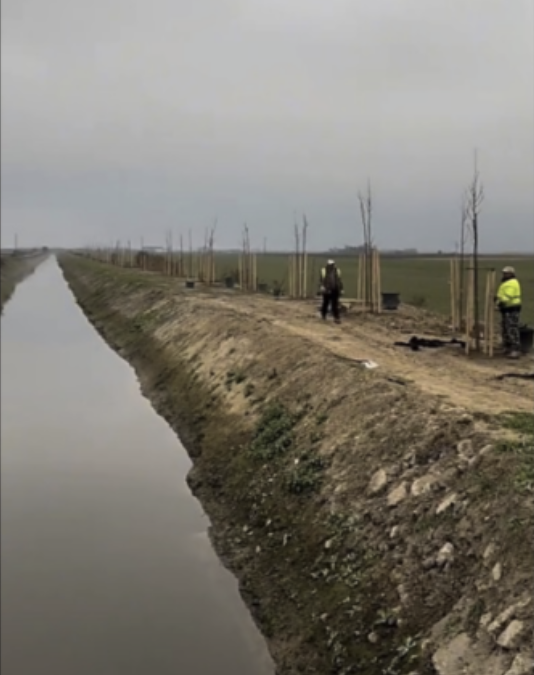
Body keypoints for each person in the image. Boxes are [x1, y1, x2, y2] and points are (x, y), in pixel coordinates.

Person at [495, 266, 522, 359]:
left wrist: (500, 300)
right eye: (504, 273)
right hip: (506, 308)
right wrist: (498, 302)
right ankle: (507, 347)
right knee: (505, 328)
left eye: (507, 273)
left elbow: (508, 296)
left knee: (512, 328)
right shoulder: (506, 282)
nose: (505, 274)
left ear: (511, 274)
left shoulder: (512, 283)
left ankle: (515, 349)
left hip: (512, 308)